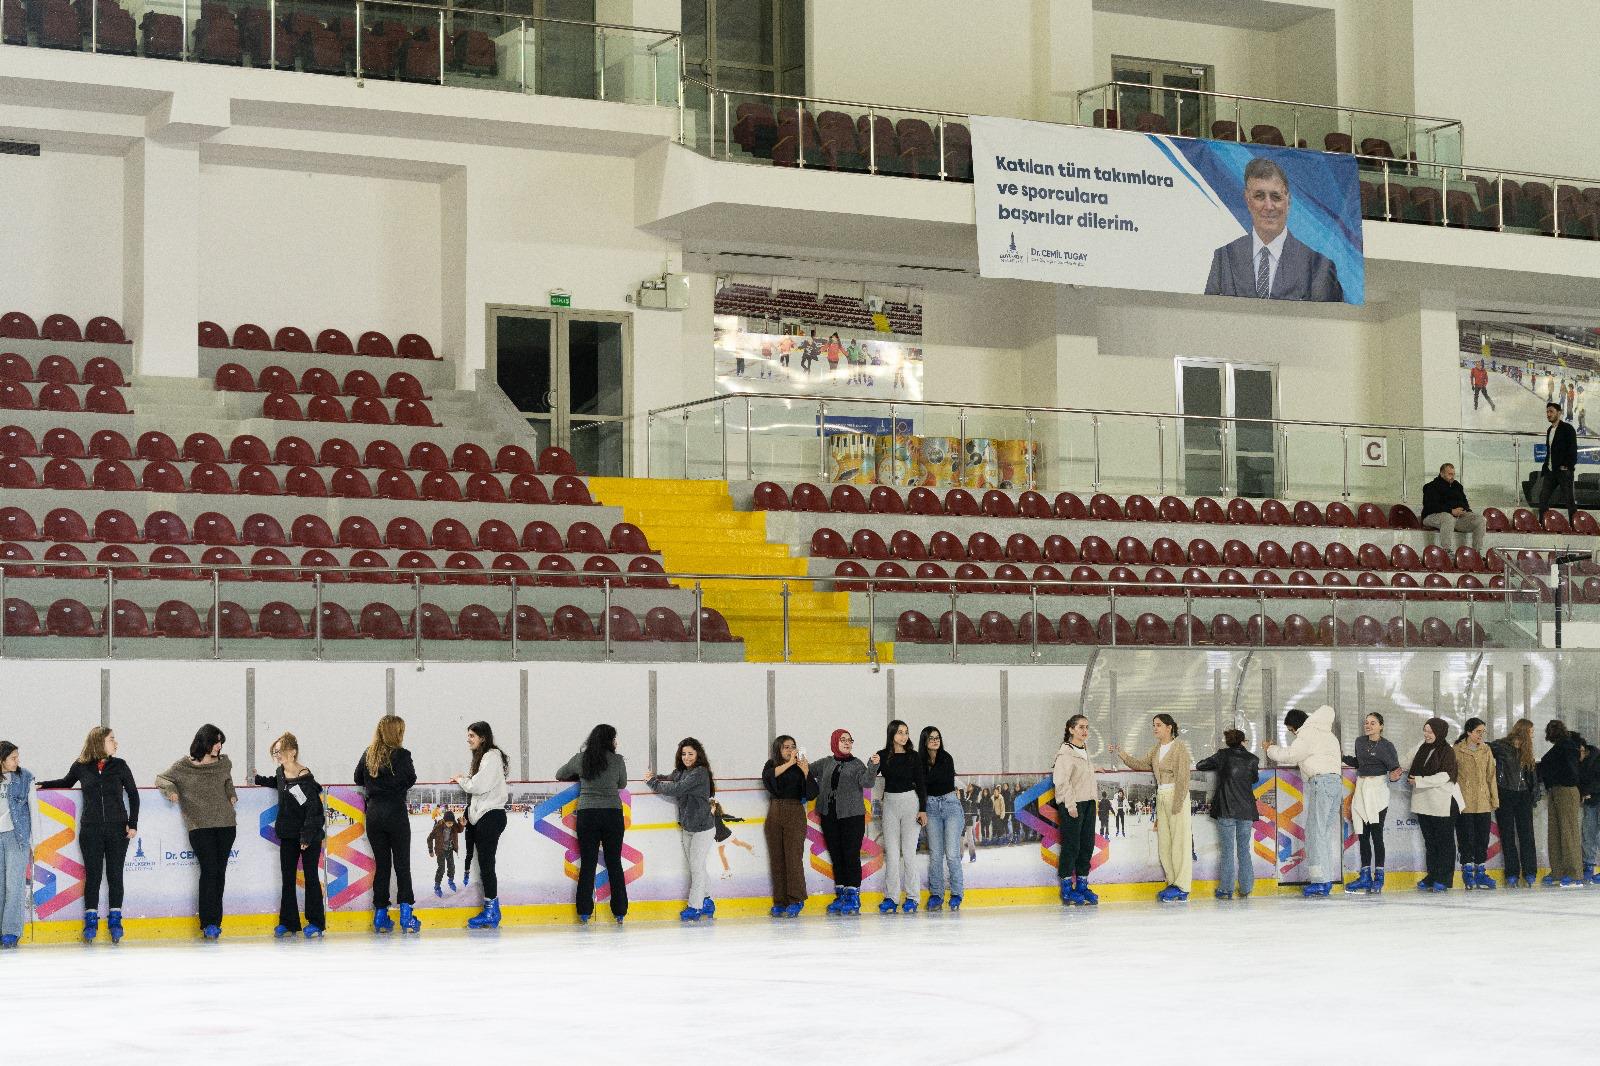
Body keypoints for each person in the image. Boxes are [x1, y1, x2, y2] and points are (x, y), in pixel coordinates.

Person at [37, 726, 138, 943]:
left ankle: (115, 919)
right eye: (112, 739)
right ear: (99, 742)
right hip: (91, 830)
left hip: (117, 829)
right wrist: (43, 785)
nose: (116, 743)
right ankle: (90, 919)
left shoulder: (120, 765)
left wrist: (132, 824)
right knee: (93, 876)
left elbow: (133, 794)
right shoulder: (81, 766)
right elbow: (65, 782)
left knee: (115, 875)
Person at [1203, 157, 1344, 302]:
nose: (1269, 206)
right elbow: (1208, 316)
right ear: (1247, 200)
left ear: (1288, 201)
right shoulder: (1224, 257)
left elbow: (1328, 323)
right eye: (1259, 196)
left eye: (1276, 197)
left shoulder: (1319, 267)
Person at [154, 724, 238, 939]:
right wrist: (171, 791)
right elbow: (161, 779)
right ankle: (207, 922)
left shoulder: (224, 763)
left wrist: (231, 794)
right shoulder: (184, 766)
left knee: (220, 873)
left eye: (221, 742)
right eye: (215, 742)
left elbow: (227, 782)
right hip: (199, 825)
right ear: (204, 742)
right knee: (209, 871)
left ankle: (215, 923)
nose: (219, 746)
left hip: (226, 824)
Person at [1265, 706, 1344, 897]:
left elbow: (1291, 755)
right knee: (1323, 833)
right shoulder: (1329, 735)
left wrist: (1270, 749)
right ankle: (1325, 879)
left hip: (1321, 783)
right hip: (1336, 783)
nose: (1293, 734)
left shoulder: (1307, 733)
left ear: (1295, 726)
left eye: (1291, 731)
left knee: (1315, 833)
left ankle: (1319, 881)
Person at [253, 732, 325, 938]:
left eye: (280, 751)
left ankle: (317, 922)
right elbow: (277, 782)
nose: (277, 755)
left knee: (311, 877)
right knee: (287, 878)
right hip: (287, 834)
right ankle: (288, 921)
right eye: (275, 752)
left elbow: (313, 811)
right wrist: (259, 779)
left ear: (292, 752)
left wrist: (306, 837)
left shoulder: (305, 778)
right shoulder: (281, 772)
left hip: (308, 835)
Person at [1113, 713, 1193, 902]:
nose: (1155, 728)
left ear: (1169, 727)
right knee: (1164, 843)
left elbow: (1183, 777)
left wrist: (1178, 802)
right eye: (1153, 725)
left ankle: (1182, 886)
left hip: (1176, 796)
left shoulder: (1179, 747)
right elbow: (1141, 764)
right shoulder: (1157, 748)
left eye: (1158, 725)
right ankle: (1172, 882)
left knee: (1179, 841)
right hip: (1162, 795)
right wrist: (1123, 754)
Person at [556, 724, 629, 924]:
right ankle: (620, 911)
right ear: (610, 740)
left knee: (588, 863)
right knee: (614, 862)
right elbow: (621, 784)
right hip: (612, 814)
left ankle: (584, 912)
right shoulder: (618, 760)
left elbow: (560, 773)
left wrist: (579, 775)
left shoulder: (581, 759)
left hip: (588, 814)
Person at [353, 714, 418, 934]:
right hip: (395, 814)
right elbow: (411, 779)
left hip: (374, 815)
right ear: (397, 733)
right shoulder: (402, 755)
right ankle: (406, 914)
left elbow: (357, 778)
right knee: (402, 864)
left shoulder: (369, 754)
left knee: (382, 865)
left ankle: (380, 914)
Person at [647, 737, 717, 922]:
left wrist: (652, 783)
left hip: (703, 828)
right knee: (698, 866)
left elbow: (677, 788)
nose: (686, 757)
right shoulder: (682, 772)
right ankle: (707, 901)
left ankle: (695, 907)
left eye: (690, 754)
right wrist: (656, 777)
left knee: (696, 868)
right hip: (688, 827)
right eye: (684, 754)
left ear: (698, 755)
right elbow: (671, 778)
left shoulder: (700, 773)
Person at [807, 729, 873, 916]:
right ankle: (842, 894)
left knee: (850, 855)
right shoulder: (826, 762)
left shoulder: (857, 764)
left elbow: (867, 782)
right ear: (835, 742)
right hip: (830, 816)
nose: (846, 743)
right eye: (842, 740)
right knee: (837, 856)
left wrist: (873, 766)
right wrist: (797, 760)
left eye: (849, 740)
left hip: (852, 816)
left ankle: (853, 896)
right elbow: (807, 770)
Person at [868, 719, 927, 914]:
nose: (904, 736)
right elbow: (869, 779)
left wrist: (923, 809)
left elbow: (921, 783)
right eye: (900, 732)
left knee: (908, 853)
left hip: (911, 802)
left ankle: (912, 897)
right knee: (892, 854)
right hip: (890, 804)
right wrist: (871, 763)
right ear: (892, 734)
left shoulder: (914, 756)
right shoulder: (883, 755)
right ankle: (891, 897)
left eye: (906, 732)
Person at [455, 721, 509, 929]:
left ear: (483, 738)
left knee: (487, 865)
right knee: (485, 865)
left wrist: (461, 779)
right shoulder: (485, 758)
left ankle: (491, 912)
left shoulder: (491, 757)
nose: (468, 739)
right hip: (485, 816)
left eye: (472, 736)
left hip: (491, 816)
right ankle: (492, 910)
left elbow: (477, 786)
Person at [1341, 712, 1401, 894]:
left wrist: (1394, 775)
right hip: (1361, 786)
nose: (1368, 726)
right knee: (1363, 833)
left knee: (1377, 833)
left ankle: (1379, 877)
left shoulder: (1387, 745)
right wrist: (1342, 756)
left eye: (1373, 723)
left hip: (1377, 789)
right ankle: (1365, 876)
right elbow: (1359, 762)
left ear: (1381, 726)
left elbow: (1395, 769)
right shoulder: (1360, 741)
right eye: (1366, 723)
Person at [1196, 729, 1259, 900]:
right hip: (1246, 809)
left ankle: (1226, 889)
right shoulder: (1253, 759)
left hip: (1226, 808)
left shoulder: (1222, 756)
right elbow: (1254, 779)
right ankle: (1246, 888)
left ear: (1227, 741)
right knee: (1244, 850)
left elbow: (1200, 765)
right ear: (1243, 741)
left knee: (1227, 850)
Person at [760, 735, 816, 917]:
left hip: (794, 812)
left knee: (793, 858)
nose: (790, 750)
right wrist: (789, 763)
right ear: (778, 749)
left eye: (793, 746)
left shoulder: (801, 768)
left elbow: (812, 793)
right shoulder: (772, 765)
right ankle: (781, 900)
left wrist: (806, 771)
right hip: (775, 811)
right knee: (777, 859)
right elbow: (768, 778)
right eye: (786, 747)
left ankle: (796, 899)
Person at [1407, 718, 1461, 893]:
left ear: (1440, 732)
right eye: (1425, 730)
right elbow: (1405, 762)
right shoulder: (1421, 747)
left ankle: (1444, 878)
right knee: (1430, 842)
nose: (1427, 734)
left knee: (1444, 842)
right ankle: (1433, 875)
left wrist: (1420, 780)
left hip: (1443, 802)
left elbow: (1444, 776)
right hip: (1424, 802)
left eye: (1430, 731)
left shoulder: (1448, 751)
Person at [1052, 714, 1098, 907]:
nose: (1084, 731)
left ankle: (1081, 884)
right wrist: (1070, 806)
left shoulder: (1084, 751)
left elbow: (1082, 774)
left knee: (1087, 844)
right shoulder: (1065, 753)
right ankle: (1066, 887)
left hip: (1088, 803)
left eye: (1086, 727)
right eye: (1080, 727)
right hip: (1073, 804)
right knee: (1072, 846)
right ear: (1071, 729)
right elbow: (1061, 782)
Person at [1491, 718, 1541, 888]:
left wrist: (1534, 793)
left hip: (1523, 796)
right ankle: (1512, 872)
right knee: (1507, 834)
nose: (1532, 736)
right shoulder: (1501, 746)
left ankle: (1530, 872)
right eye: (1531, 732)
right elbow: (1483, 750)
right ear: (1524, 731)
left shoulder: (1527, 751)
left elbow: (1531, 775)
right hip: (1505, 794)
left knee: (1527, 834)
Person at [920, 725, 964, 911]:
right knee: (936, 854)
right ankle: (936, 894)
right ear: (925, 741)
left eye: (937, 737)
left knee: (952, 853)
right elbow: (923, 785)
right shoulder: (919, 761)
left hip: (950, 805)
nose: (935, 740)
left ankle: (956, 893)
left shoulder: (946, 758)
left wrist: (922, 779)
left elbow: (935, 779)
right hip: (931, 807)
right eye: (931, 738)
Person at [1453, 718, 1500, 890]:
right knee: (1466, 838)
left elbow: (1491, 776)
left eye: (1483, 732)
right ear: (1469, 732)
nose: (1481, 735)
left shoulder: (1486, 750)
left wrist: (1494, 798)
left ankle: (1480, 871)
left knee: (1483, 838)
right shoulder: (1457, 751)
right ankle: (1467, 871)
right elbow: (1452, 777)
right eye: (1478, 731)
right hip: (1464, 802)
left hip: (1482, 802)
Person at [1538, 719, 1583, 886]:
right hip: (1557, 790)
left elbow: (1568, 771)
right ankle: (1558, 871)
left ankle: (1574, 873)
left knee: (1568, 831)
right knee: (1555, 831)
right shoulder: (1562, 748)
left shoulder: (1567, 747)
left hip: (1566, 790)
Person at [0, 741, 33, 950]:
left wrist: (34, 841)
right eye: (12, 757)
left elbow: (34, 810)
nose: (17, 761)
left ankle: (10, 932)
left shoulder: (24, 778)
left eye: (17, 757)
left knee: (15, 885)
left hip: (17, 836)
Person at [1420, 463, 1486, 551]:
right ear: (1442, 474)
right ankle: (1447, 551)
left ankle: (1477, 552)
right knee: (1448, 517)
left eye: (1453, 474)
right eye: (1450, 474)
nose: (1452, 476)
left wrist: (1465, 510)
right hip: (1432, 516)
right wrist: (1451, 511)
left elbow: (1465, 503)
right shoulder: (1431, 486)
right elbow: (1431, 506)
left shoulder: (1457, 486)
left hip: (1456, 518)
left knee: (1480, 519)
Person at [1537, 402, 1579, 520]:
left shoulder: (1567, 429)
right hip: (1551, 471)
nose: (1548, 414)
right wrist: (1546, 466)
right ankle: (1543, 523)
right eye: (1547, 412)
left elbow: (1573, 450)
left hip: (1563, 471)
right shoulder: (1550, 430)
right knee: (1543, 499)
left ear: (1559, 413)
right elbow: (1550, 451)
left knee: (1569, 501)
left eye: (1551, 411)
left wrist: (1567, 466)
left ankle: (1575, 525)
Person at [710, 799, 754, 876]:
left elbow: (730, 818)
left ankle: (750, 847)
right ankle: (727, 870)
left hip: (726, 834)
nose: (710, 808)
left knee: (738, 843)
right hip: (719, 837)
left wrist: (739, 819)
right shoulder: (708, 816)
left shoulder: (718, 815)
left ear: (715, 807)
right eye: (710, 806)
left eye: (712, 806)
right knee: (721, 853)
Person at [1580, 733, 1600, 885]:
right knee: (1588, 833)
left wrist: (1589, 792)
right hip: (1590, 802)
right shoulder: (1581, 762)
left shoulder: (1596, 759)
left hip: (1595, 799)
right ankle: (1589, 864)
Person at [428, 811, 460, 896]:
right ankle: (437, 886)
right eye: (449, 823)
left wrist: (462, 824)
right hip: (440, 851)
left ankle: (451, 881)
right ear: (444, 821)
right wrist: (430, 850)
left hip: (449, 850)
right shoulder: (438, 827)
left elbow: (460, 829)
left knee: (451, 866)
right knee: (441, 869)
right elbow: (429, 838)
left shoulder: (453, 826)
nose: (451, 825)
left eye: (452, 823)